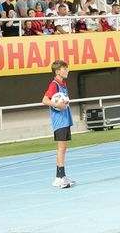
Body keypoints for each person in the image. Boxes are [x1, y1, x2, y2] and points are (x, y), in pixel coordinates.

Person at [43, 60, 75, 188]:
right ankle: (61, 178)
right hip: (59, 121)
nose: (67, 71)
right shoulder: (54, 84)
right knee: (61, 148)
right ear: (57, 71)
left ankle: (59, 177)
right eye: (64, 69)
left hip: (65, 119)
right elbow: (45, 100)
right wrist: (57, 104)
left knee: (64, 148)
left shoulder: (63, 84)